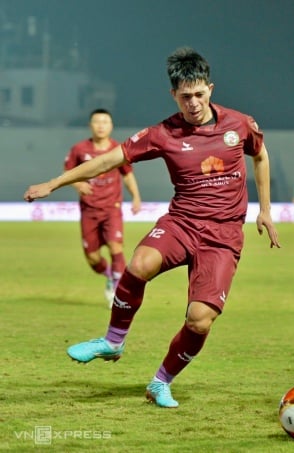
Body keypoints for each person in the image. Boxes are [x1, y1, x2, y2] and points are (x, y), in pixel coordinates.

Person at [24, 47, 280, 408]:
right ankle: (114, 340)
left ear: (210, 88)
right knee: (139, 263)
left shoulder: (239, 124)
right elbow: (108, 160)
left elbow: (262, 155)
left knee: (200, 321)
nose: (192, 103)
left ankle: (161, 382)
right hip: (182, 222)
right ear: (173, 95)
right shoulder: (163, 133)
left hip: (223, 235)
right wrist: (54, 183)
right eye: (184, 96)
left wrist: (265, 210)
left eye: (199, 94)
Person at [65, 108, 142, 308]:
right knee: (92, 258)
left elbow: (127, 174)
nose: (100, 125)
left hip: (112, 208)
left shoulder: (119, 150)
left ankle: (117, 290)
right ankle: (109, 275)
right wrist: (78, 184)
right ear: (90, 125)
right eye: (97, 122)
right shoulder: (79, 150)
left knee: (116, 247)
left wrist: (136, 197)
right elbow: (69, 173)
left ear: (111, 126)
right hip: (89, 210)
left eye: (105, 122)